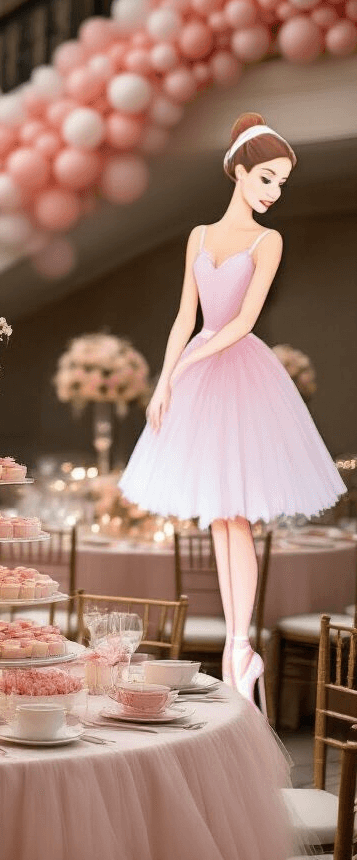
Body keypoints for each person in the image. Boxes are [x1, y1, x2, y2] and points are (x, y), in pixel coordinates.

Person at [118, 112, 345, 709]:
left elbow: (243, 321)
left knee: (236, 514)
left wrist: (188, 368)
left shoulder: (269, 241)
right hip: (197, 367)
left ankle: (241, 644)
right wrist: (166, 378)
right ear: (240, 172)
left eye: (281, 184)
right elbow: (183, 317)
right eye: (266, 178)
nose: (273, 192)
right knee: (218, 516)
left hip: (239, 370)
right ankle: (237, 651)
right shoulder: (198, 236)